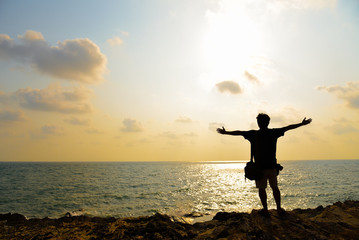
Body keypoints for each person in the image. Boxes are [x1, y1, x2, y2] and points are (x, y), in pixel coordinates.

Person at [217, 113, 312, 216]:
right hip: (272, 167)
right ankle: (279, 208)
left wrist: (225, 133)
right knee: (274, 187)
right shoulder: (273, 133)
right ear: (268, 122)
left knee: (262, 189)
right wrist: (302, 124)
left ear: (258, 123)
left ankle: (266, 210)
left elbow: (239, 133)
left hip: (260, 168)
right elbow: (288, 128)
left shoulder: (253, 134)